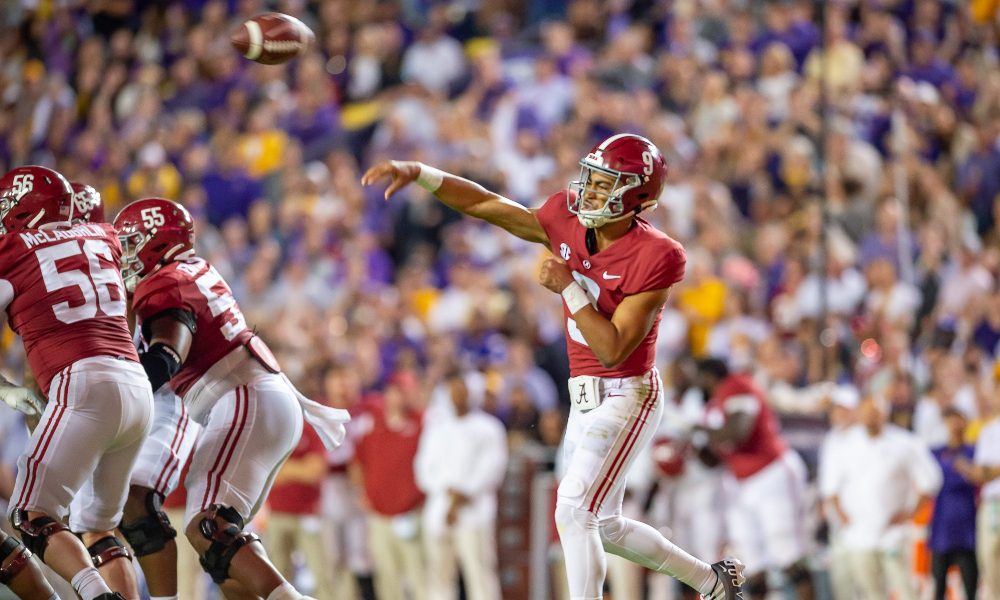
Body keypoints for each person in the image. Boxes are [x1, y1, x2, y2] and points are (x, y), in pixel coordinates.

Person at [363, 132, 745, 600]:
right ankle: (713, 582)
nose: (591, 191)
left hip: (628, 393)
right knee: (600, 526)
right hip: (583, 396)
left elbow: (614, 348)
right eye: (595, 179)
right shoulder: (567, 216)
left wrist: (567, 286)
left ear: (637, 198)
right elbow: (489, 206)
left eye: (608, 185)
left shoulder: (658, 255)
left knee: (572, 510)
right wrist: (424, 174)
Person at [107, 198, 349, 600]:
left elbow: (167, 355)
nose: (127, 256)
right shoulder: (193, 270)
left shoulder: (164, 281)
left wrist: (120, 395)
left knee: (209, 526)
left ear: (158, 242)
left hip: (242, 397)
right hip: (260, 397)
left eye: (133, 243)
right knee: (219, 549)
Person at [0, 165, 154, 600]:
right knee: (99, 525)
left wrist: (4, 387)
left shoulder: (13, 246)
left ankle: (97, 596)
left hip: (82, 383)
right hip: (135, 385)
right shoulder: (104, 235)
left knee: (32, 514)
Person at [693, 358, 814, 600]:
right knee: (752, 565)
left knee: (788, 555)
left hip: (771, 473)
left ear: (707, 376)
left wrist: (700, 431)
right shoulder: (711, 406)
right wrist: (694, 448)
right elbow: (715, 459)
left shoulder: (738, 385)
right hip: (740, 484)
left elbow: (739, 432)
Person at [825, 393, 942, 600]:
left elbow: (931, 481)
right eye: (867, 412)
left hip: (893, 534)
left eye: (876, 412)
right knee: (870, 592)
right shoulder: (845, 445)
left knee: (905, 589)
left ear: (885, 414)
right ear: (859, 414)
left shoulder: (905, 443)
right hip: (859, 534)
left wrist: (910, 513)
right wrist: (843, 517)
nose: (871, 417)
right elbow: (831, 487)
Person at [415, 370, 508, 600]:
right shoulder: (436, 428)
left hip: (474, 512)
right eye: (453, 391)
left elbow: (492, 468)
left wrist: (461, 496)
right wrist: (447, 492)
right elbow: (424, 468)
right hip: (439, 510)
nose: (457, 396)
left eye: (462, 391)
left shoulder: (489, 428)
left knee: (480, 575)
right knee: (438, 577)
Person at [927, 407, 978, 600]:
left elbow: (978, 477)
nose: (954, 425)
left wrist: (964, 467)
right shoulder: (935, 452)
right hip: (941, 527)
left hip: (967, 526)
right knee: (938, 587)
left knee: (970, 586)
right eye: (950, 420)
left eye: (958, 419)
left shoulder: (974, 450)